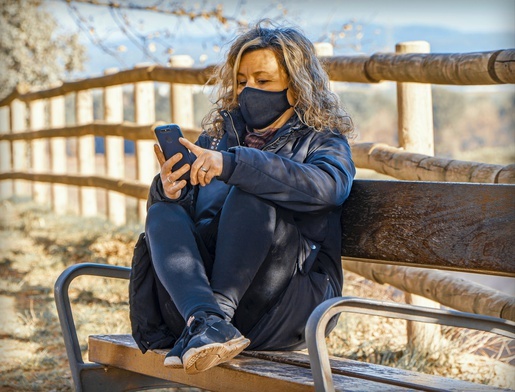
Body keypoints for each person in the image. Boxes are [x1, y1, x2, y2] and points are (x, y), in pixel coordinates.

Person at [129, 19, 356, 375]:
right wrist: (170, 191)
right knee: (163, 214)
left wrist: (236, 166)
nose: (249, 90)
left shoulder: (323, 141)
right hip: (194, 310)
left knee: (254, 191)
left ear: (296, 88)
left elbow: (329, 187)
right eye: (241, 81)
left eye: (263, 81)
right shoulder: (218, 139)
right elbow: (182, 229)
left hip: (286, 306)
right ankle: (208, 320)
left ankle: (213, 319)